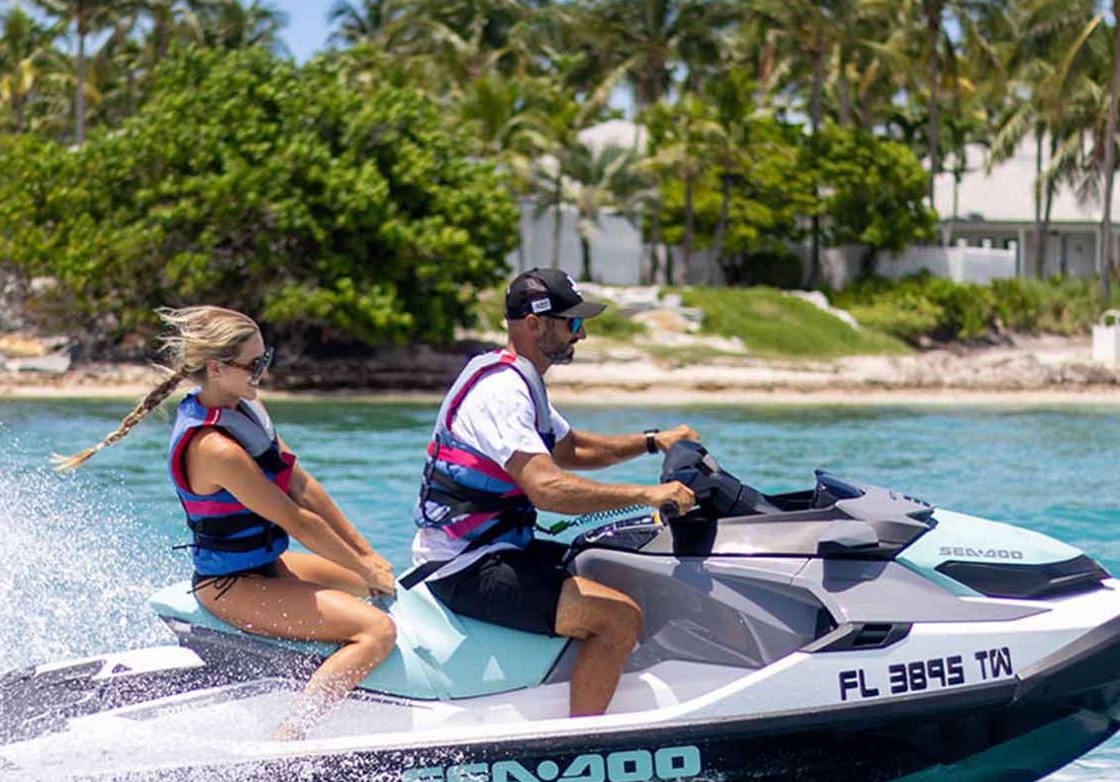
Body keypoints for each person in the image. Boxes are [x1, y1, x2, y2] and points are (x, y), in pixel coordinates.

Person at [54, 306, 396, 738]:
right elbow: (295, 520)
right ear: (216, 368)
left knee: (375, 586)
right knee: (376, 630)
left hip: (269, 566)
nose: (263, 373)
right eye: (253, 365)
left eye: (265, 359)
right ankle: (291, 736)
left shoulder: (247, 410)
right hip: (232, 587)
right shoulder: (214, 448)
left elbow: (302, 486)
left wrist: (368, 557)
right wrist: (365, 566)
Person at [411, 268, 698, 718]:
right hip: (465, 565)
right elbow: (546, 487)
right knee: (617, 618)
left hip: (501, 548)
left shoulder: (521, 379)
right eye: (573, 323)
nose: (581, 336)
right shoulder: (502, 392)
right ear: (534, 323)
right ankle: (582, 747)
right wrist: (646, 495)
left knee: (617, 560)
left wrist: (652, 441)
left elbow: (571, 448)